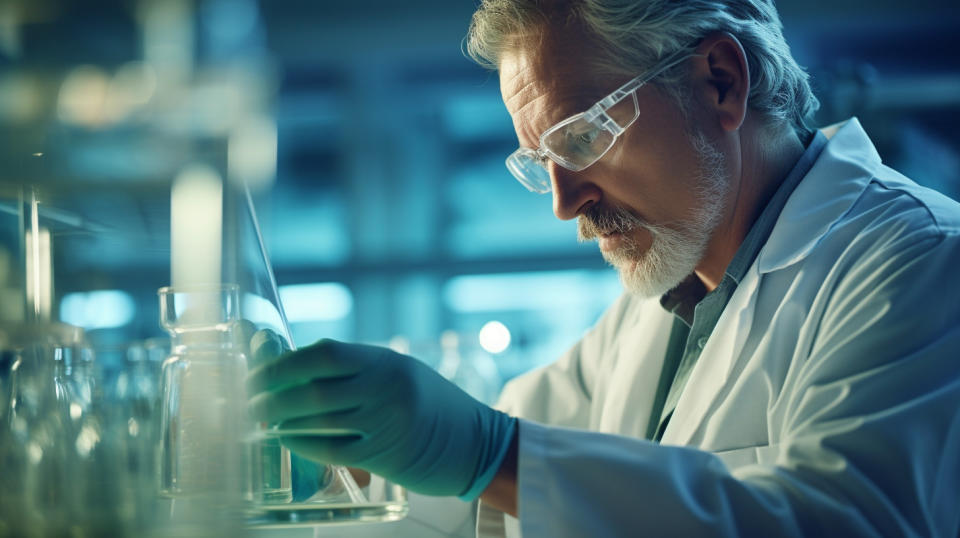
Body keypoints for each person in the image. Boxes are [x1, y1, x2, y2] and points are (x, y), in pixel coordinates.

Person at [246, 1, 960, 536]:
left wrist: (485, 454)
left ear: (720, 82)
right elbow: (494, 493)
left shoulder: (919, 262)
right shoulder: (656, 309)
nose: (564, 202)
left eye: (582, 136)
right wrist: (356, 457)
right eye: (540, 162)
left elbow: (848, 522)